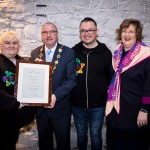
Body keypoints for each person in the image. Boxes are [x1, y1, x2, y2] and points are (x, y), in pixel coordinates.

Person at [30, 22, 76, 150]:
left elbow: (71, 80)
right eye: (45, 32)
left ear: (57, 34)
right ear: (41, 35)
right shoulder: (34, 53)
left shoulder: (68, 52)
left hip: (60, 108)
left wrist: (55, 96)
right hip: (40, 110)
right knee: (44, 144)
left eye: (52, 32)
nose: (48, 35)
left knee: (63, 143)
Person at [106, 18, 150, 150]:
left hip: (135, 112)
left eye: (131, 31)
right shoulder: (116, 53)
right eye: (124, 31)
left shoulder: (146, 54)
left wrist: (145, 110)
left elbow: (149, 85)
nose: (127, 34)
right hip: (115, 111)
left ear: (137, 34)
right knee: (115, 143)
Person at [71, 17, 112, 150]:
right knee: (81, 135)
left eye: (90, 30)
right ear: (79, 32)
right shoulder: (73, 52)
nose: (86, 33)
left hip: (98, 105)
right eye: (83, 30)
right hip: (77, 105)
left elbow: (111, 79)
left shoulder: (106, 53)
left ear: (96, 31)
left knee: (95, 135)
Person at [0, 31, 35, 150]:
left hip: (15, 117)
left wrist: (38, 68)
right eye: (7, 43)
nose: (11, 45)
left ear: (18, 46)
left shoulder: (23, 62)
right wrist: (15, 103)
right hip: (3, 116)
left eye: (14, 43)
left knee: (11, 143)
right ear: (1, 45)